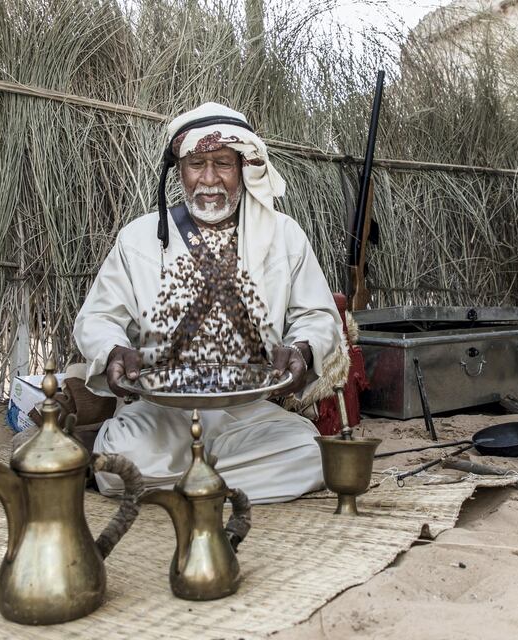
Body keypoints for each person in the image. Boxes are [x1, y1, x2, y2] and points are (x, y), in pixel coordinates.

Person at [73, 102, 346, 504]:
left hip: (250, 411)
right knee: (119, 463)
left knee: (311, 455)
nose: (209, 179)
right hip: (161, 412)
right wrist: (115, 351)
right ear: (179, 171)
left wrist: (303, 349)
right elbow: (97, 317)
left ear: (243, 167)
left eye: (222, 163)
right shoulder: (139, 239)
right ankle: (218, 486)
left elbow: (317, 315)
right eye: (197, 163)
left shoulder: (283, 236)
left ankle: (182, 487)